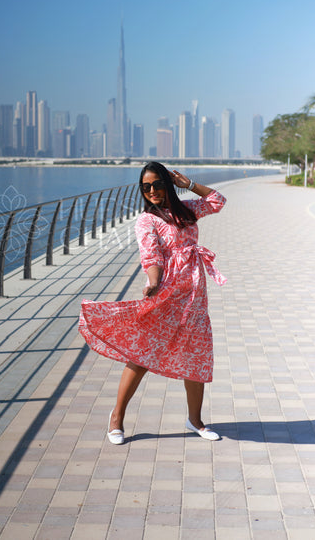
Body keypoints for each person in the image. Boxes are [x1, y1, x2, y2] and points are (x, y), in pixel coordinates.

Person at [78, 161, 227, 444]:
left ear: (168, 184)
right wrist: (154, 281)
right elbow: (151, 256)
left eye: (157, 184)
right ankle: (116, 417)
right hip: (167, 290)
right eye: (146, 187)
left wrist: (190, 185)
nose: (152, 191)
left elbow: (218, 201)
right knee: (143, 354)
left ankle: (195, 420)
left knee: (195, 352)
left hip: (194, 293)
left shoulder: (188, 211)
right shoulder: (147, 220)